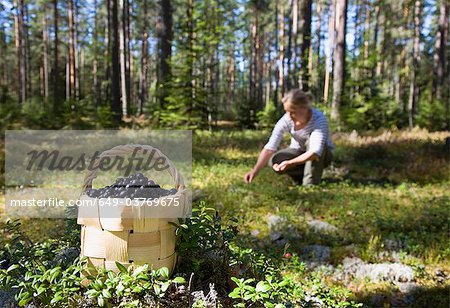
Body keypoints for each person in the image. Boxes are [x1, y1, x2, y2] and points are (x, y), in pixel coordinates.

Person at [244, 89, 334, 186]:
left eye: (292, 112)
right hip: (298, 152)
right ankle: (300, 177)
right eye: (287, 111)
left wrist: (290, 163)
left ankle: (309, 185)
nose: (289, 115)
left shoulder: (319, 119)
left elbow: (315, 152)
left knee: (312, 143)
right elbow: (270, 148)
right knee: (275, 160)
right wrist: (255, 171)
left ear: (303, 108)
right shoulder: (287, 119)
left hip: (322, 155)